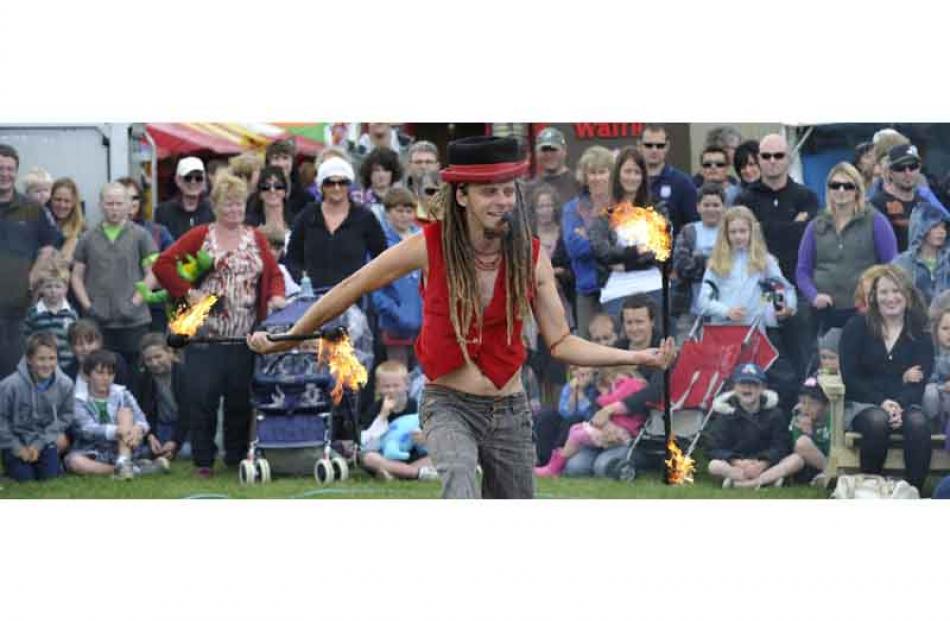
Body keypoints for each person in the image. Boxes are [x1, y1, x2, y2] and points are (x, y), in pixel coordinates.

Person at [248, 136, 674, 499]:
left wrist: (643, 356)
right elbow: (351, 287)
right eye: (490, 191)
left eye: (508, 191)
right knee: (460, 486)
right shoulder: (428, 246)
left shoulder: (530, 255)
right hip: (449, 403)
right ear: (462, 195)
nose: (503, 201)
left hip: (510, 408)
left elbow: (562, 343)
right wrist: (290, 336)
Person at [153, 172, 286, 478]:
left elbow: (274, 274)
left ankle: (236, 456)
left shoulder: (256, 238)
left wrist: (276, 297)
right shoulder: (201, 235)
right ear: (215, 206)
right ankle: (203, 461)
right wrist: (188, 292)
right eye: (227, 205)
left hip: (244, 337)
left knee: (240, 400)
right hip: (205, 338)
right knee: (203, 400)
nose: (234, 210)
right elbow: (163, 264)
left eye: (238, 204)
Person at [840, 265, 934, 491]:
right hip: (863, 402)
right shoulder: (857, 327)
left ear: (907, 295)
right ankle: (871, 490)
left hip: (907, 403)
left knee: (919, 423)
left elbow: (921, 378)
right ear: (874, 297)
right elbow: (851, 377)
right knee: (877, 421)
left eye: (896, 291)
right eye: (884, 292)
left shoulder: (919, 330)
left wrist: (899, 404)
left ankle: (913, 492)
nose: (890, 298)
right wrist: (882, 401)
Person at [796, 162, 898, 334]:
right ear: (828, 190)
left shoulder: (876, 221)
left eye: (848, 186)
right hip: (824, 313)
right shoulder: (815, 225)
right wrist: (814, 296)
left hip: (865, 312)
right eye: (835, 185)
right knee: (827, 359)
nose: (841, 191)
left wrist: (876, 297)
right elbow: (802, 270)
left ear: (857, 190)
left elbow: (892, 267)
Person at [71, 182, 157, 370]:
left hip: (134, 322)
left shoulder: (141, 236)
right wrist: (88, 306)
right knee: (98, 371)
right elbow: (76, 276)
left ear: (128, 205)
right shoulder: (87, 238)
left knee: (135, 374)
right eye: (109, 203)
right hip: (98, 322)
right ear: (101, 205)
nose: (114, 209)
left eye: (119, 203)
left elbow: (152, 274)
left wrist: (134, 303)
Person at [0, 145, 59, 377]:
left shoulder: (32, 209)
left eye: (9, 168)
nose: (4, 174)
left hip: (18, 310)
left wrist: (31, 278)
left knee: (14, 373)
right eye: (0, 168)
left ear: (16, 172)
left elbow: (48, 246)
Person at [285, 157, 388, 289]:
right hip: (315, 298)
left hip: (354, 298)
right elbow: (292, 258)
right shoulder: (307, 216)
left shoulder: (365, 217)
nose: (337, 187)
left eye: (342, 182)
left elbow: (382, 257)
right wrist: (302, 281)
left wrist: (365, 284)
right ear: (321, 186)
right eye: (330, 183)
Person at [65, 348, 164, 479]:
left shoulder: (122, 393)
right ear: (89, 375)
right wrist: (117, 430)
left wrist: (137, 429)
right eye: (100, 373)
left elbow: (142, 420)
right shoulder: (79, 399)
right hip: (92, 451)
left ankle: (124, 460)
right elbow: (86, 429)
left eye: (110, 373)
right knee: (74, 462)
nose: (105, 378)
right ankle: (131, 469)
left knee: (125, 412)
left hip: (122, 448)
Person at [534, 366, 646, 478]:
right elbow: (565, 412)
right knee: (568, 428)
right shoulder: (573, 386)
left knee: (577, 432)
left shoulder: (629, 384)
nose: (578, 372)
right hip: (601, 429)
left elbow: (593, 412)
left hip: (621, 433)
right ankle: (551, 462)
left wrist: (598, 397)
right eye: (574, 369)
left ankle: (554, 466)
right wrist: (575, 392)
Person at [590, 147, 662, 317]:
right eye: (627, 171)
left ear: (643, 176)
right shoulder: (604, 215)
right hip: (616, 292)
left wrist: (626, 263)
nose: (632, 177)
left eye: (637, 172)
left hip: (654, 287)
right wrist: (637, 251)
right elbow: (602, 252)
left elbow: (660, 249)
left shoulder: (657, 211)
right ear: (618, 174)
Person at [697, 205, 797, 328]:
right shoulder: (717, 262)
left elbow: (785, 289)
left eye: (743, 231)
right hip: (722, 329)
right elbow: (703, 301)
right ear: (725, 234)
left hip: (754, 331)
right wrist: (726, 311)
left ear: (752, 232)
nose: (738, 236)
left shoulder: (765, 261)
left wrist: (787, 307)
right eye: (733, 232)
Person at [706, 363, 795, 489]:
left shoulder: (775, 414)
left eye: (753, 384)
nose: (747, 388)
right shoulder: (725, 414)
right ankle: (767, 480)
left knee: (796, 460)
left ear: (762, 388)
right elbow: (714, 448)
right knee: (714, 466)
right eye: (742, 384)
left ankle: (744, 483)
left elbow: (781, 445)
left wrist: (763, 463)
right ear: (734, 387)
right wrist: (737, 462)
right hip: (736, 465)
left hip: (766, 464)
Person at [0, 332, 74, 481]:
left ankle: (54, 463)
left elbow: (66, 416)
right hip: (17, 442)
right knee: (25, 479)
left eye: (52, 358)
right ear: (29, 359)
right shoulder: (9, 385)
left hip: (45, 440)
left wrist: (39, 444)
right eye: (41, 359)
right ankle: (12, 468)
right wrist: (17, 448)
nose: (47, 364)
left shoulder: (65, 384)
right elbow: (2, 420)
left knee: (49, 478)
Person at [562, 145, 615, 338]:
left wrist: (589, 235)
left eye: (602, 172)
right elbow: (574, 248)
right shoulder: (572, 209)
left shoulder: (621, 206)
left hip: (616, 285)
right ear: (584, 176)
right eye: (592, 172)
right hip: (586, 289)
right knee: (586, 347)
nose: (597, 177)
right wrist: (605, 239)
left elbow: (621, 245)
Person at [359, 360, 437, 481]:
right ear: (378, 388)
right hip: (385, 456)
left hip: (411, 455)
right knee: (368, 458)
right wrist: (382, 416)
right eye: (386, 386)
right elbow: (367, 442)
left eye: (396, 386)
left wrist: (424, 438)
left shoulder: (415, 405)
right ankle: (415, 473)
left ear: (406, 385)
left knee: (438, 455)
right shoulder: (375, 409)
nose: (391, 390)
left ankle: (396, 473)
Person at [370, 188, 422, 366]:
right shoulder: (380, 241)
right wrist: (394, 311)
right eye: (399, 211)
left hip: (425, 323)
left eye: (409, 211)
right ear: (388, 212)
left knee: (424, 379)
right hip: (395, 324)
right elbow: (373, 286)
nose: (404, 216)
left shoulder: (423, 238)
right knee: (397, 376)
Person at [672, 182, 726, 334]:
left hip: (724, 309)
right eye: (706, 205)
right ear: (698, 207)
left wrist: (697, 258)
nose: (711, 209)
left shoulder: (731, 231)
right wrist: (709, 262)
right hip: (691, 310)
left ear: (724, 207)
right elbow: (681, 267)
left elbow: (732, 267)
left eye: (716, 205)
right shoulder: (688, 231)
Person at [870, 144, 940, 252]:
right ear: (890, 172)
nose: (908, 173)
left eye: (913, 167)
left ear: (919, 169)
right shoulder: (876, 204)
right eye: (901, 168)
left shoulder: (925, 204)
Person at [133, 332, 190, 461]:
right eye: (149, 359)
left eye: (158, 356)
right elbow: (144, 412)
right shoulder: (144, 378)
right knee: (142, 450)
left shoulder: (184, 374)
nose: (154, 363)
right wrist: (150, 435)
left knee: (187, 450)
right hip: (161, 425)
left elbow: (188, 413)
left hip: (184, 426)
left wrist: (175, 441)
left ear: (169, 352)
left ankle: (170, 451)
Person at [532, 364, 598, 466]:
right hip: (567, 421)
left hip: (584, 425)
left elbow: (589, 414)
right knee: (547, 415)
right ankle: (542, 457)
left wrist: (580, 393)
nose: (581, 378)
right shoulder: (569, 387)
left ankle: (557, 459)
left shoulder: (595, 390)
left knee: (574, 419)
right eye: (579, 374)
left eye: (585, 375)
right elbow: (564, 412)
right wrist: (573, 393)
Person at [637, 124, 698, 236]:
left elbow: (694, 225)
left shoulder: (682, 183)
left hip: (671, 250)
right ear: (639, 146)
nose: (654, 150)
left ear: (667, 146)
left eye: (660, 146)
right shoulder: (630, 181)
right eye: (648, 145)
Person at [892, 196, 950, 306]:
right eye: (935, 227)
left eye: (943, 227)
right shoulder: (902, 263)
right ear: (920, 227)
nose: (941, 232)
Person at [23, 256, 78, 369]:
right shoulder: (34, 313)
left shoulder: (71, 313)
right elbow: (27, 341)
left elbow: (74, 341)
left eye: (58, 287)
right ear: (41, 289)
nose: (53, 291)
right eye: (48, 287)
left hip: (67, 367)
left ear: (66, 288)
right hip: (41, 367)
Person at [785, 376, 832, 485]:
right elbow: (797, 449)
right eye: (803, 402)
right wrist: (807, 433)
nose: (806, 408)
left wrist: (813, 435)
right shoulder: (798, 417)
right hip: (806, 467)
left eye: (812, 403)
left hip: (831, 461)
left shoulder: (832, 418)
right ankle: (830, 474)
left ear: (826, 405)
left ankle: (831, 474)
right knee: (802, 442)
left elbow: (832, 449)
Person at [155, 156, 214, 240]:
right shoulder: (163, 212)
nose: (193, 182)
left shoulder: (213, 210)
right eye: (188, 178)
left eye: (198, 178)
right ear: (178, 180)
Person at [63, 319, 130, 387]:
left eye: (90, 342)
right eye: (79, 344)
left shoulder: (116, 362)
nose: (85, 348)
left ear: (99, 342)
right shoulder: (67, 375)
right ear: (71, 348)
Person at [525, 127, 579, 207]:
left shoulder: (579, 184)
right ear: (537, 153)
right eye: (544, 150)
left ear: (564, 151)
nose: (549, 155)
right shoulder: (529, 189)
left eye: (553, 149)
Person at [264, 139, 310, 219]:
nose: (281, 164)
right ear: (269, 163)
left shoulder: (305, 198)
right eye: (276, 158)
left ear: (292, 161)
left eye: (285, 158)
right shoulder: (260, 195)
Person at [358, 147, 404, 223]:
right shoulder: (358, 200)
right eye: (376, 170)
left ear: (393, 173)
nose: (381, 175)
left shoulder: (402, 200)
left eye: (386, 170)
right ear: (369, 173)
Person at [47, 177, 86, 264]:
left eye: (67, 201)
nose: (62, 205)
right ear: (50, 199)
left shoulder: (82, 231)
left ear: (74, 203)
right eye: (58, 199)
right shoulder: (42, 224)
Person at [259, 222, 300, 299]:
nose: (273, 253)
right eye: (269, 247)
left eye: (277, 249)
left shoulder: (282, 270)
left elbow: (296, 296)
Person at [244, 166, 291, 230]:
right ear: (260, 193)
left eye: (278, 186)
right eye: (266, 186)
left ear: (285, 192)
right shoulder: (248, 224)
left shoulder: (296, 221)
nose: (272, 190)